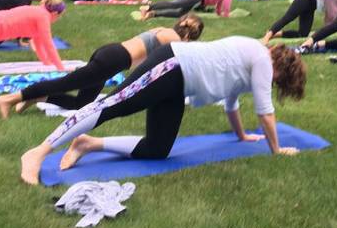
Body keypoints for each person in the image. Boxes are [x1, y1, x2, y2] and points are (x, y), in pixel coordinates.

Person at [18, 37, 307, 185]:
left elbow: (232, 102)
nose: (274, 84)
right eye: (280, 82)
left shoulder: (252, 59)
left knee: (157, 148)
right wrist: (276, 149)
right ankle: (38, 152)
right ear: (281, 68)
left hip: (178, 86)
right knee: (111, 106)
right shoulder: (261, 59)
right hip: (171, 66)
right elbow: (265, 112)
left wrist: (242, 136)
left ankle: (87, 144)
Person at [0, 14, 204, 117]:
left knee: (82, 104)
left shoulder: (165, 29)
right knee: (64, 83)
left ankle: (36, 97)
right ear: (191, 37)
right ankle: (10, 98)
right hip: (113, 59)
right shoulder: (173, 39)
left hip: (111, 55)